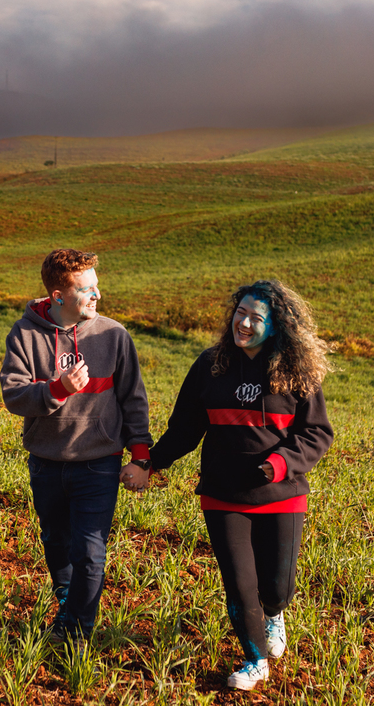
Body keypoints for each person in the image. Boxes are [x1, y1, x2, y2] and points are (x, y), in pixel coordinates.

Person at [120, 280, 333, 690]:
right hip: (222, 493)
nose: (245, 324)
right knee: (239, 583)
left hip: (281, 494)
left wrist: (280, 463)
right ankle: (255, 659)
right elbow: (185, 429)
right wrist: (149, 464)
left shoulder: (295, 371)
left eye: (257, 318)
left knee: (276, 586)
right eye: (241, 313)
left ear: (278, 326)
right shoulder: (209, 365)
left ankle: (274, 614)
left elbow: (317, 433)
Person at [0, 249, 152, 641]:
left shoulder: (114, 335)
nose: (96, 295)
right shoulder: (25, 334)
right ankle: (66, 597)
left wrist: (140, 454)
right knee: (56, 541)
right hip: (46, 461)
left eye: (97, 286)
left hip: (98, 460)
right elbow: (14, 396)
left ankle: (75, 631)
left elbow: (134, 399)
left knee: (90, 553)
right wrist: (58, 389)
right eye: (85, 289)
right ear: (57, 296)